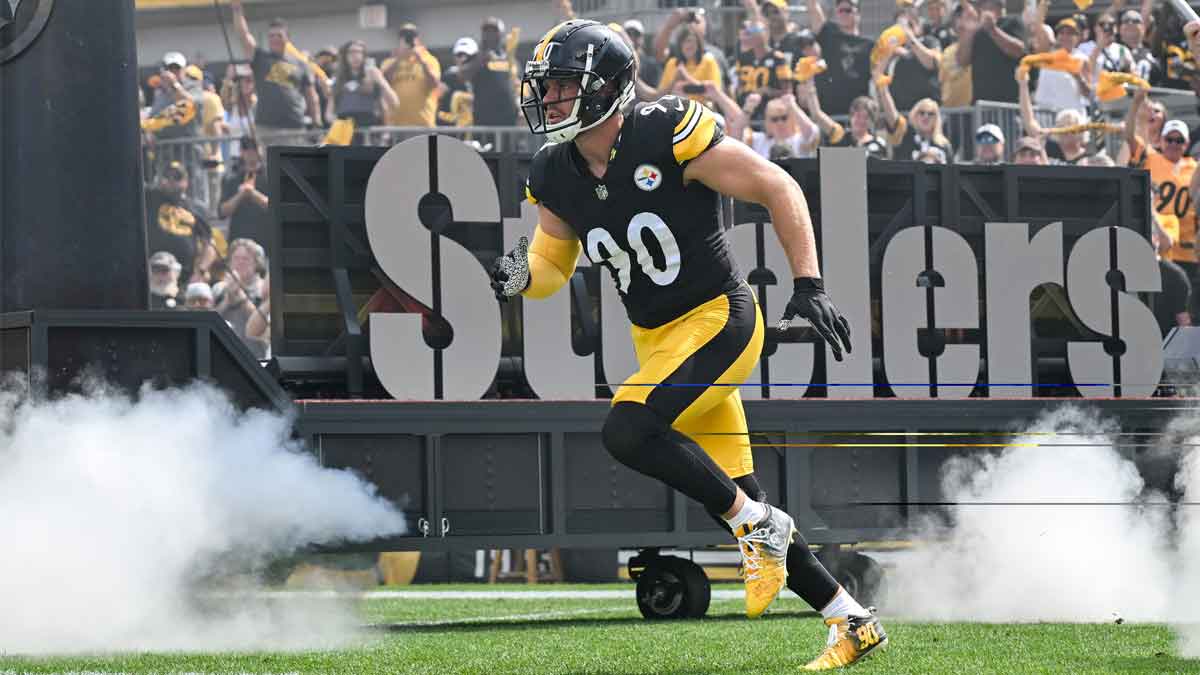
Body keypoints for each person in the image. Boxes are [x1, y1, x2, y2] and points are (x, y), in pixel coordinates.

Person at [495, 21, 883, 670]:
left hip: (718, 320)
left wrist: (808, 281)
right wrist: (521, 274)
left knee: (627, 428)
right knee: (741, 499)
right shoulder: (554, 172)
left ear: (607, 89)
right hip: (661, 344)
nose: (551, 101)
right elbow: (553, 263)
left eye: (564, 88)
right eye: (547, 89)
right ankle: (851, 618)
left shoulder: (663, 129)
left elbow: (776, 185)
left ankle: (759, 526)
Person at [1127, 88, 1197, 297]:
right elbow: (1130, 137)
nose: (1174, 144)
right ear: (1162, 140)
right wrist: (1135, 105)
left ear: (1186, 144)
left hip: (1187, 248)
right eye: (1169, 139)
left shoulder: (1194, 167)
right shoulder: (1151, 158)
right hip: (1155, 242)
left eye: (1179, 140)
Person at [230, 0, 319, 143]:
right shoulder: (260, 58)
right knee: (270, 165)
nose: (275, 38)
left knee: (294, 164)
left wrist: (316, 122)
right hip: (266, 127)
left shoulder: (301, 64)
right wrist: (237, 10)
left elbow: (311, 96)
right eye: (271, 36)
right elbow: (244, 36)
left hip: (294, 126)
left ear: (287, 38)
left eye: (279, 35)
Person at [807, 0, 874, 117]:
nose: (843, 14)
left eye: (848, 10)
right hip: (829, 111)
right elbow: (813, 8)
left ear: (858, 14)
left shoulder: (869, 45)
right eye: (840, 11)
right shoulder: (829, 34)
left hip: (858, 113)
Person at [957, 0, 1026, 104]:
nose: (979, 9)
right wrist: (968, 33)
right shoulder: (976, 31)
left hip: (1008, 104)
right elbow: (962, 61)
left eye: (984, 5)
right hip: (980, 104)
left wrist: (992, 30)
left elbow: (1018, 51)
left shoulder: (1013, 21)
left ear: (997, 6)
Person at [330, 39, 399, 133]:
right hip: (345, 131)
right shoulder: (339, 79)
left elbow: (394, 102)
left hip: (369, 128)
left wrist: (379, 79)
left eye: (359, 52)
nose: (355, 56)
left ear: (364, 55)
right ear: (345, 56)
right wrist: (338, 125)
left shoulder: (372, 74)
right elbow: (329, 113)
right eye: (351, 52)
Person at [381, 23, 442, 128]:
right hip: (396, 126)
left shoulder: (429, 60)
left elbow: (434, 84)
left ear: (417, 40)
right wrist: (398, 59)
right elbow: (382, 83)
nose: (408, 41)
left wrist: (421, 60)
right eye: (404, 37)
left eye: (411, 37)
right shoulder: (389, 62)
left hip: (424, 124)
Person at [732, 18, 793, 121]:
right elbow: (739, 86)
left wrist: (768, 91)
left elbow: (787, 91)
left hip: (770, 115)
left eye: (757, 31)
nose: (753, 35)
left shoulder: (778, 58)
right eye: (750, 32)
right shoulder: (743, 58)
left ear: (766, 33)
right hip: (746, 112)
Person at [219, 142, 271, 251]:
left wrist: (253, 194)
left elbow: (275, 207)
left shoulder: (270, 175)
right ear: (241, 152)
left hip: (265, 242)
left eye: (254, 149)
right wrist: (241, 195)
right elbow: (222, 212)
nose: (251, 153)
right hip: (239, 242)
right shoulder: (231, 178)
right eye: (247, 149)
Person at [655, 25, 723, 103]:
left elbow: (714, 93)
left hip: (703, 110)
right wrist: (674, 81)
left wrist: (687, 77)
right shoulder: (672, 63)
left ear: (698, 44)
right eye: (685, 41)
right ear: (680, 45)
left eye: (692, 41)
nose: (689, 45)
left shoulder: (708, 61)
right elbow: (660, 95)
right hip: (677, 111)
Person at [744, 94, 820, 159]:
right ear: (767, 122)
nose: (780, 123)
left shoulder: (799, 139)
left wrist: (793, 106)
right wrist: (747, 110)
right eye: (774, 119)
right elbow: (736, 136)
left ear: (792, 118)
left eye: (784, 118)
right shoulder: (759, 141)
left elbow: (812, 131)